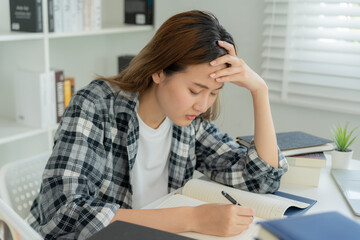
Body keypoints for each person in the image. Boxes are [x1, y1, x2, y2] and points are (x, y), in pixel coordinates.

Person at [27, 10, 288, 240]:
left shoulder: (187, 123)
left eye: (214, 92)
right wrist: (193, 218)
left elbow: (261, 178)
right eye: (195, 90)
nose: (203, 105)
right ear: (160, 71)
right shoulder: (96, 105)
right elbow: (64, 214)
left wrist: (259, 91)